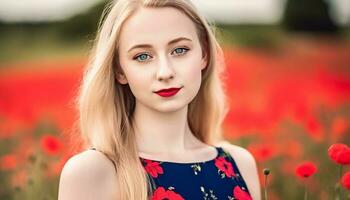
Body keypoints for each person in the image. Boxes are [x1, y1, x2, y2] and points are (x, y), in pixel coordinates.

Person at [58, 0, 261, 199]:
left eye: (179, 50)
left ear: (204, 55)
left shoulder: (240, 165)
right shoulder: (92, 174)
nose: (165, 72)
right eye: (143, 56)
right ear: (120, 71)